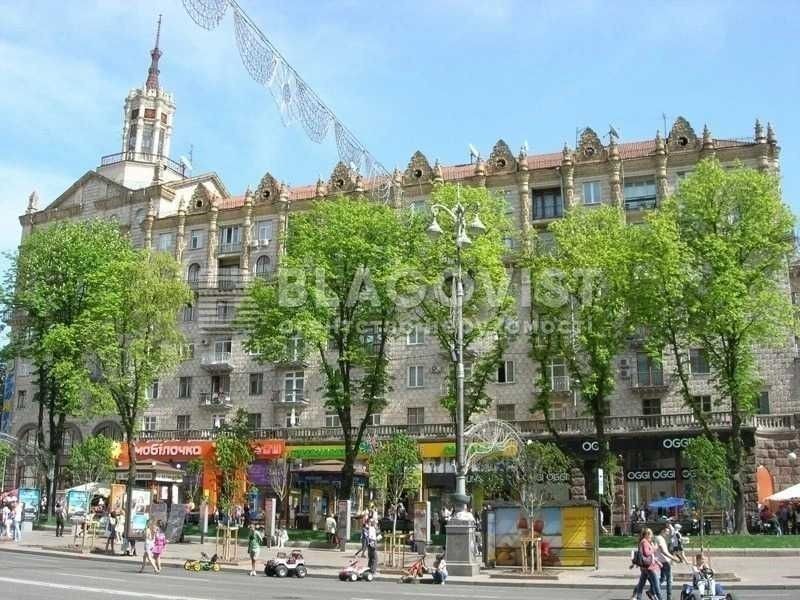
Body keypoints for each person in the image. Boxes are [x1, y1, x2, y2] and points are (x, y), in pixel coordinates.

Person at [632, 527, 662, 600]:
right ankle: (660, 598)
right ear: (647, 535)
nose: (651, 536)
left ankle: (638, 598)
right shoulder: (644, 542)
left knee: (641, 585)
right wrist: (654, 548)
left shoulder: (643, 541)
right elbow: (647, 553)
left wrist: (657, 561)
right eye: (650, 534)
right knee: (656, 585)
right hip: (649, 567)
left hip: (645, 567)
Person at [654, 524, 677, 600]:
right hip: (665, 561)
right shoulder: (660, 538)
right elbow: (663, 551)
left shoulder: (658, 538)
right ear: (662, 531)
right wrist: (673, 558)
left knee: (663, 578)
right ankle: (669, 597)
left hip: (662, 561)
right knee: (669, 580)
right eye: (667, 532)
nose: (667, 533)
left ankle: (652, 590)